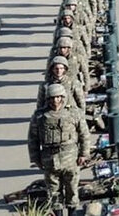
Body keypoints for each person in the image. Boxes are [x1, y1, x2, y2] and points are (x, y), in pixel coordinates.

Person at [28, 84, 91, 215]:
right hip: (49, 160)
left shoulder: (74, 113)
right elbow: (33, 138)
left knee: (72, 190)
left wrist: (84, 154)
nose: (55, 101)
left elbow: (84, 135)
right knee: (53, 192)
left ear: (63, 97)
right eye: (52, 98)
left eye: (58, 97)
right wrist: (35, 158)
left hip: (71, 159)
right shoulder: (40, 116)